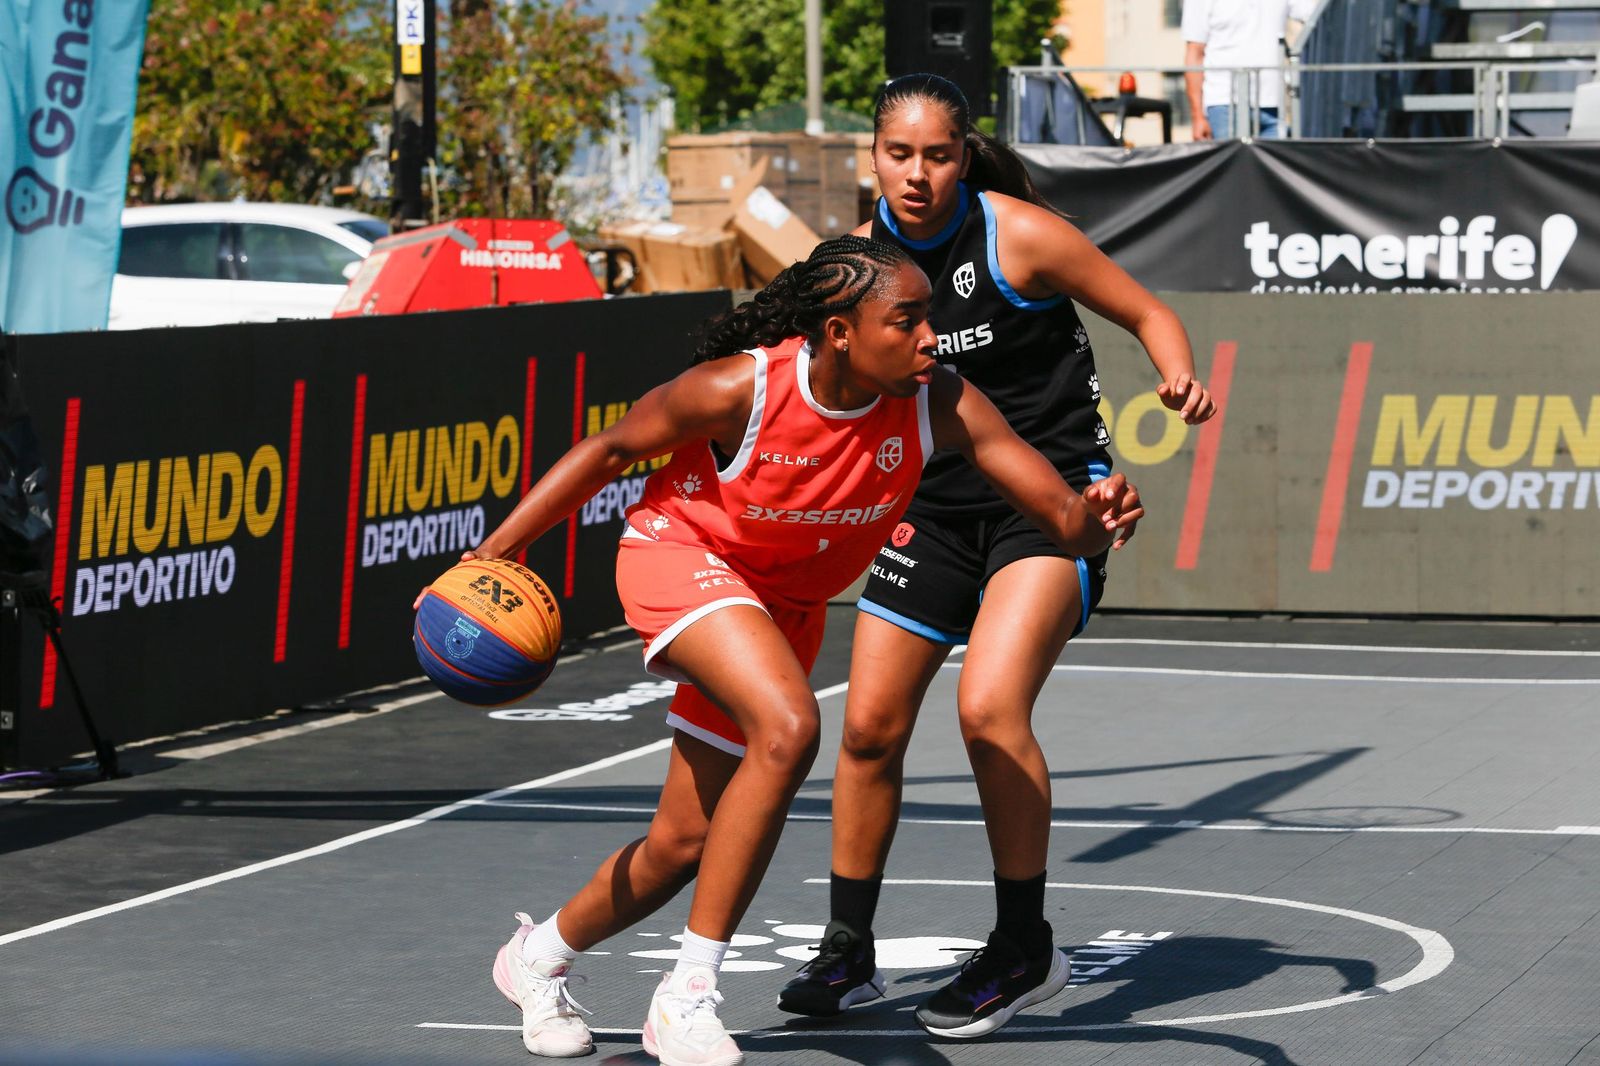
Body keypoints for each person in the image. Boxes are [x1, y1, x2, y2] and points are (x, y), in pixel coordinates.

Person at [443, 236, 1145, 1065]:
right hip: (682, 557)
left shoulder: (940, 401)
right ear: (842, 333)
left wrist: (1093, 519)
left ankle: (538, 957)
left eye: (932, 319)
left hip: (782, 608)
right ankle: (689, 993)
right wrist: (487, 557)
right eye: (908, 321)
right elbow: (609, 452)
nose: (932, 338)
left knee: (680, 843)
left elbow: (1059, 515)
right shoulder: (744, 387)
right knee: (788, 725)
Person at [776, 74, 1216, 1039]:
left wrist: (1177, 373)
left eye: (938, 155)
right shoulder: (851, 266)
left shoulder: (1015, 234)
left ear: (963, 155)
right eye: (900, 155)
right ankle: (849, 947)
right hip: (930, 510)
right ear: (874, 157)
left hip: (1052, 502)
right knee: (867, 730)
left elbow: (1147, 312)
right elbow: (802, 387)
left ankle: (1024, 945)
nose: (919, 175)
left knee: (988, 707)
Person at [1183, 0, 1317, 140]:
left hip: (1273, 104)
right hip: (1223, 104)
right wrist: (1197, 116)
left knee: (1272, 162)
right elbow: (1194, 54)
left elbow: (1314, 14)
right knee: (1233, 162)